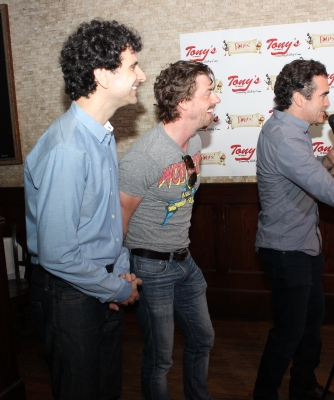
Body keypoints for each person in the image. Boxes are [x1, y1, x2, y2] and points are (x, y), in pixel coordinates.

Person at [24, 19, 145, 400]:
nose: (141, 74)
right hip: (69, 295)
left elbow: (107, 220)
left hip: (97, 284)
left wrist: (119, 272)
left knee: (106, 388)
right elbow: (58, 253)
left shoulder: (100, 133)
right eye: (132, 66)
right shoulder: (68, 147)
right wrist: (113, 287)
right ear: (103, 75)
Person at [253, 59, 334, 400]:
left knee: (309, 327)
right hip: (285, 249)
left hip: (303, 245)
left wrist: (327, 162)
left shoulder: (292, 131)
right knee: (289, 333)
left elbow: (297, 181)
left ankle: (303, 388)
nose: (327, 103)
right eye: (323, 95)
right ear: (298, 98)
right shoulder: (285, 138)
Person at [119, 60, 220, 400]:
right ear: (184, 103)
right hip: (150, 266)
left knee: (203, 338)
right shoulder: (145, 157)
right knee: (160, 359)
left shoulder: (193, 143)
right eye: (209, 93)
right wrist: (121, 274)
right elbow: (119, 219)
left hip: (183, 261)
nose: (216, 100)